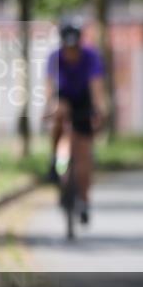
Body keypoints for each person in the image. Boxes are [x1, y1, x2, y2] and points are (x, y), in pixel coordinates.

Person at [44, 18, 109, 224]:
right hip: (63, 99)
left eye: (75, 47)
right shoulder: (54, 58)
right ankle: (54, 159)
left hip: (84, 102)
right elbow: (49, 87)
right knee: (59, 111)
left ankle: (84, 198)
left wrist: (100, 111)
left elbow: (97, 88)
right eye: (68, 47)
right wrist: (48, 107)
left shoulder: (91, 57)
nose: (71, 52)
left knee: (84, 159)